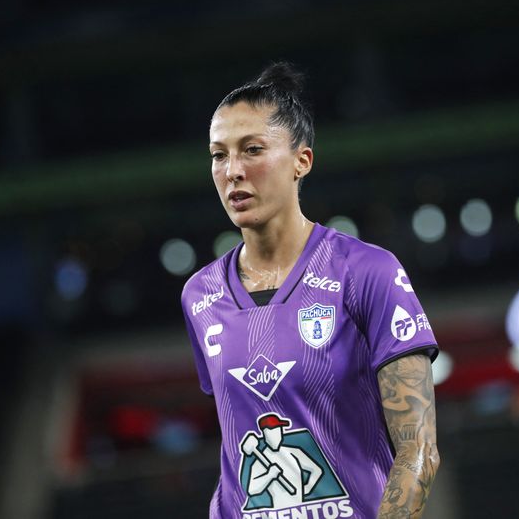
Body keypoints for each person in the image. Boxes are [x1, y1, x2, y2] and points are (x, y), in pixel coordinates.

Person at [181, 61, 440, 518]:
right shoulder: (199, 296)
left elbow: (418, 452)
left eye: (253, 149)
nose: (233, 171)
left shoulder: (367, 272)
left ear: (302, 161)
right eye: (219, 155)